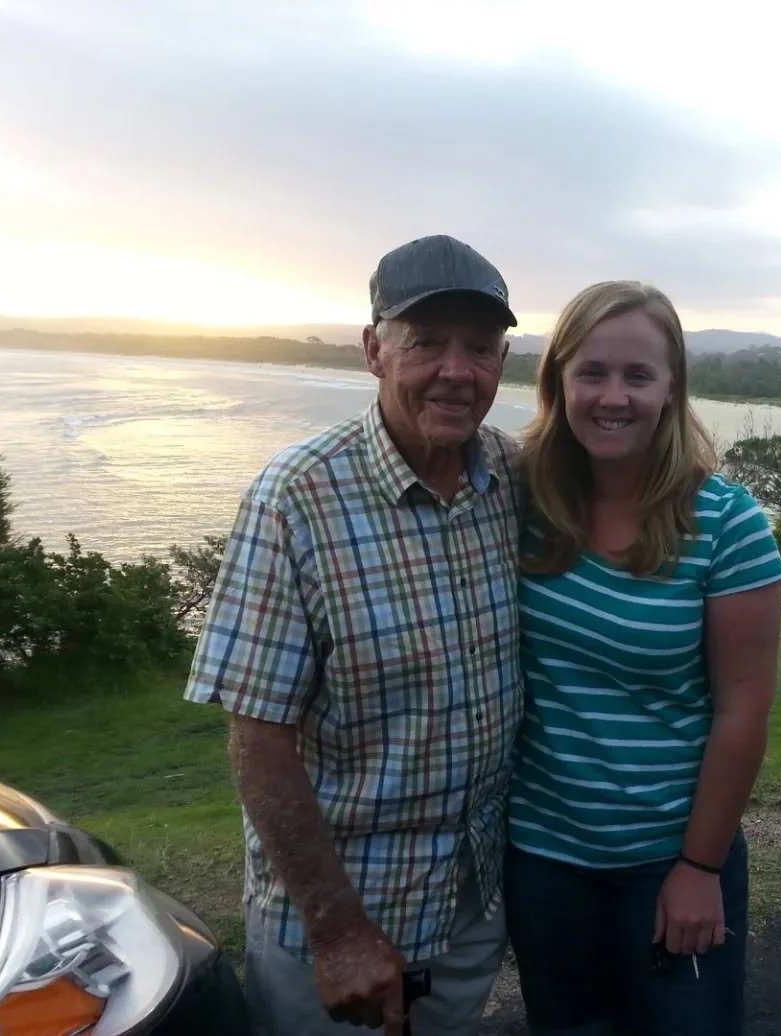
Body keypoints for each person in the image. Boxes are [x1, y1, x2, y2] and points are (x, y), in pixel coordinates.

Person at [184, 235, 527, 1036]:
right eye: (427, 343)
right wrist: (337, 932)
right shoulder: (295, 498)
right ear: (374, 350)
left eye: (479, 348)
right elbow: (257, 736)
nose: (456, 369)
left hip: (469, 905)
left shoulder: (510, 479)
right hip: (336, 924)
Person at [504, 280, 781, 1035]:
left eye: (637, 375)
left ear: (670, 389)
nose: (612, 396)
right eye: (590, 372)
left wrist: (698, 869)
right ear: (557, 381)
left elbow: (742, 709)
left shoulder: (726, 523)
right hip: (542, 858)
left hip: (669, 858)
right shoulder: (518, 499)